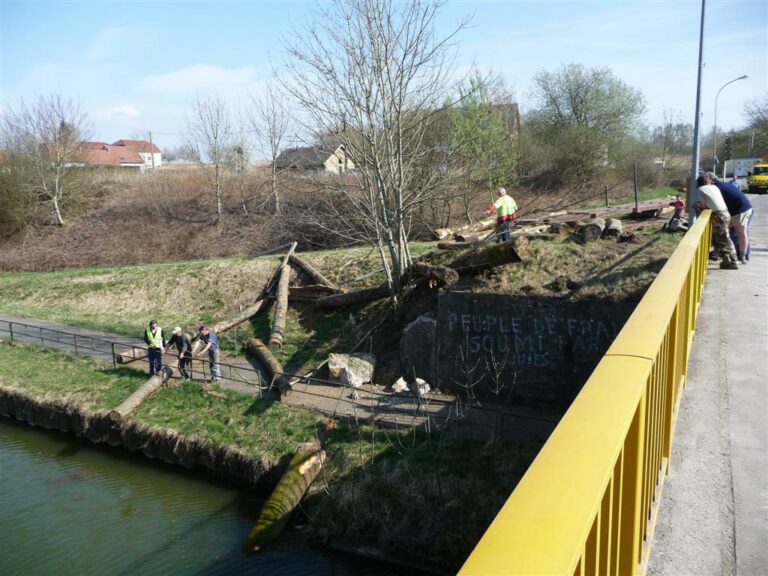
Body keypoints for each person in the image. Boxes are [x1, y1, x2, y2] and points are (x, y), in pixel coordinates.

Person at [694, 174, 738, 270]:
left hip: (718, 215)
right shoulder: (714, 187)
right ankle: (726, 261)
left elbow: (703, 205)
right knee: (720, 238)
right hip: (725, 213)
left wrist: (697, 207)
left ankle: (733, 261)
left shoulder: (701, 190)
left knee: (724, 239)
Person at [708, 173, 753, 264]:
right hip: (733, 210)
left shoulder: (717, 188)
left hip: (741, 210)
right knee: (726, 232)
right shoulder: (721, 185)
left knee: (741, 233)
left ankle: (743, 256)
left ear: (712, 180)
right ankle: (720, 253)